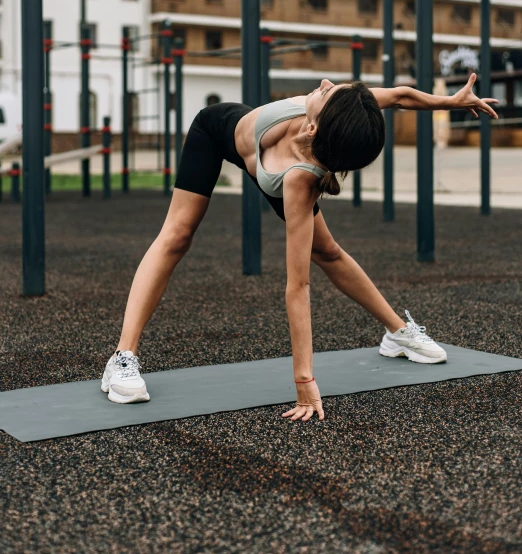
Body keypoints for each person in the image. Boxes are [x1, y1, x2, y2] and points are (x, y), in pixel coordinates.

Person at [101, 73, 498, 421]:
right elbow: (399, 95)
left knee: (327, 252)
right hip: (218, 131)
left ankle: (398, 333)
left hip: (282, 170)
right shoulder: (342, 108)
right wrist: (451, 101)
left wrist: (304, 380)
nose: (325, 84)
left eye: (325, 94)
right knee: (177, 235)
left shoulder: (301, 181)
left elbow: (298, 287)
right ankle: (122, 358)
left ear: (313, 128)